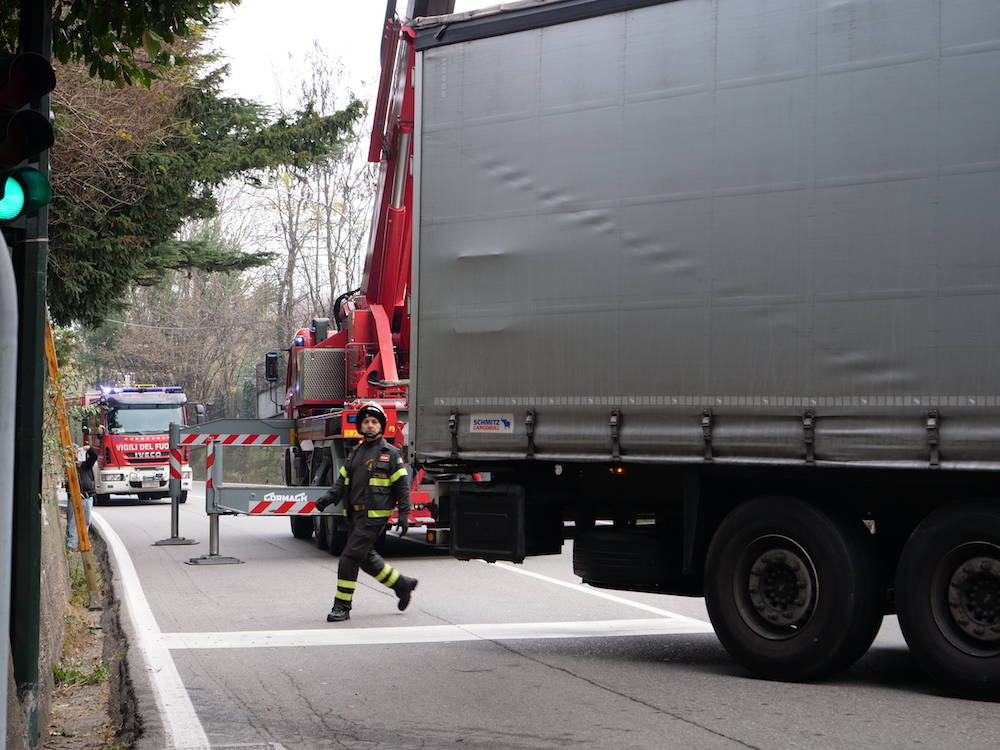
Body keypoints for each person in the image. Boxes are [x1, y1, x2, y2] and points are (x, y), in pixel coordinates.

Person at [316, 402, 418, 622]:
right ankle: (402, 584)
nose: (369, 426)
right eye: (365, 422)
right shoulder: (355, 453)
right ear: (360, 426)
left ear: (381, 425)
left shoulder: (390, 454)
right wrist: (327, 498)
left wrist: (403, 514)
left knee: (348, 558)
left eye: (374, 422)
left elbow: (402, 486)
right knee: (365, 558)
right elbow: (341, 483)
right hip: (355, 516)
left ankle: (342, 606)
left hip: (374, 517)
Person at [67, 445, 98, 550]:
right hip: (74, 497)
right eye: (75, 454)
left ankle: (83, 543)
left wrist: (88, 448)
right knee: (72, 522)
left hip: (87, 496)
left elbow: (94, 456)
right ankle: (71, 545)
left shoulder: (86, 465)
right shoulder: (70, 467)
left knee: (86, 521)